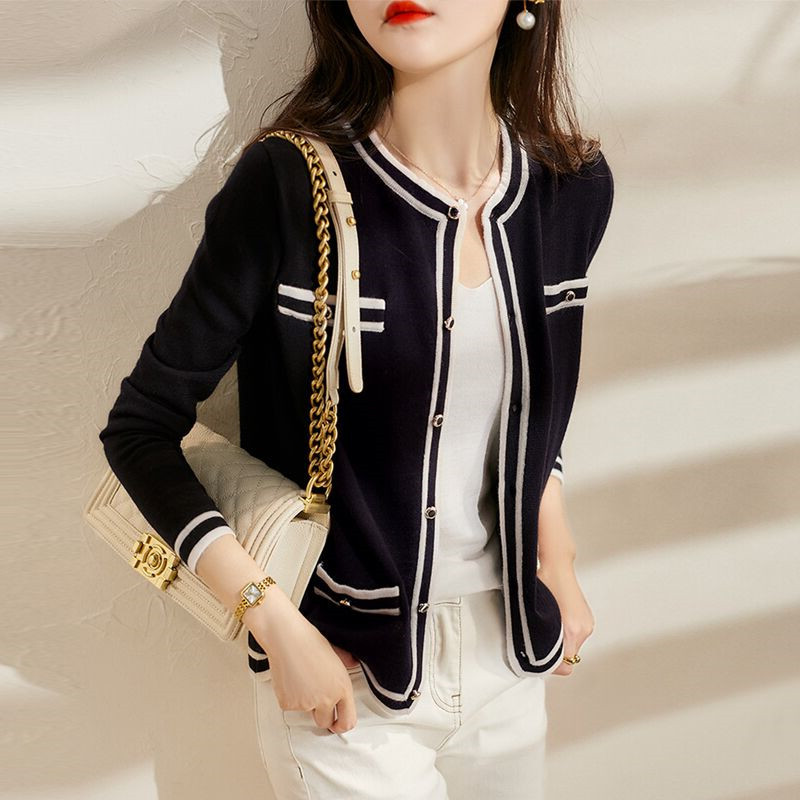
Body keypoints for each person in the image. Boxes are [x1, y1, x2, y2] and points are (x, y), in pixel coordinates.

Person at [98, 0, 614, 796]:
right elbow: (140, 429)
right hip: (343, 680)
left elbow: (523, 412)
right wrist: (273, 622)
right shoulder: (285, 186)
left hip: (511, 655)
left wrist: (560, 559)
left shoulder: (569, 192)